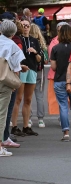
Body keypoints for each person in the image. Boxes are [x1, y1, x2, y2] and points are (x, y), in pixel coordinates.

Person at [51, 24, 71, 142]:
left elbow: (53, 67)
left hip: (59, 80)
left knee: (63, 106)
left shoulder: (55, 48)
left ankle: (66, 133)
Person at [0, 20, 27, 156]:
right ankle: (0, 145)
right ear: (14, 32)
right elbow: (16, 67)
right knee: (2, 114)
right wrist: (15, 82)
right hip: (5, 81)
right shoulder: (12, 46)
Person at [11, 18, 41, 137]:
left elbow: (39, 59)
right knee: (18, 99)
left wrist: (35, 52)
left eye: (28, 25)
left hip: (32, 70)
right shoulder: (18, 40)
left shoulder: (34, 40)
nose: (26, 27)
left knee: (28, 100)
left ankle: (26, 126)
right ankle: (14, 126)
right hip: (21, 69)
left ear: (30, 27)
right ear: (20, 27)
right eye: (23, 25)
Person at [47, 22, 69, 118]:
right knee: (59, 98)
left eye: (63, 30)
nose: (61, 32)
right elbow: (52, 60)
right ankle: (62, 117)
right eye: (59, 30)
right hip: (57, 75)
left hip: (70, 74)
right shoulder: (54, 42)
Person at [29, 23, 48, 128]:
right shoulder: (42, 45)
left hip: (29, 71)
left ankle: (29, 118)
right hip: (40, 72)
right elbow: (46, 60)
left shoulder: (27, 43)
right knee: (39, 96)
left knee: (28, 97)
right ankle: (41, 119)